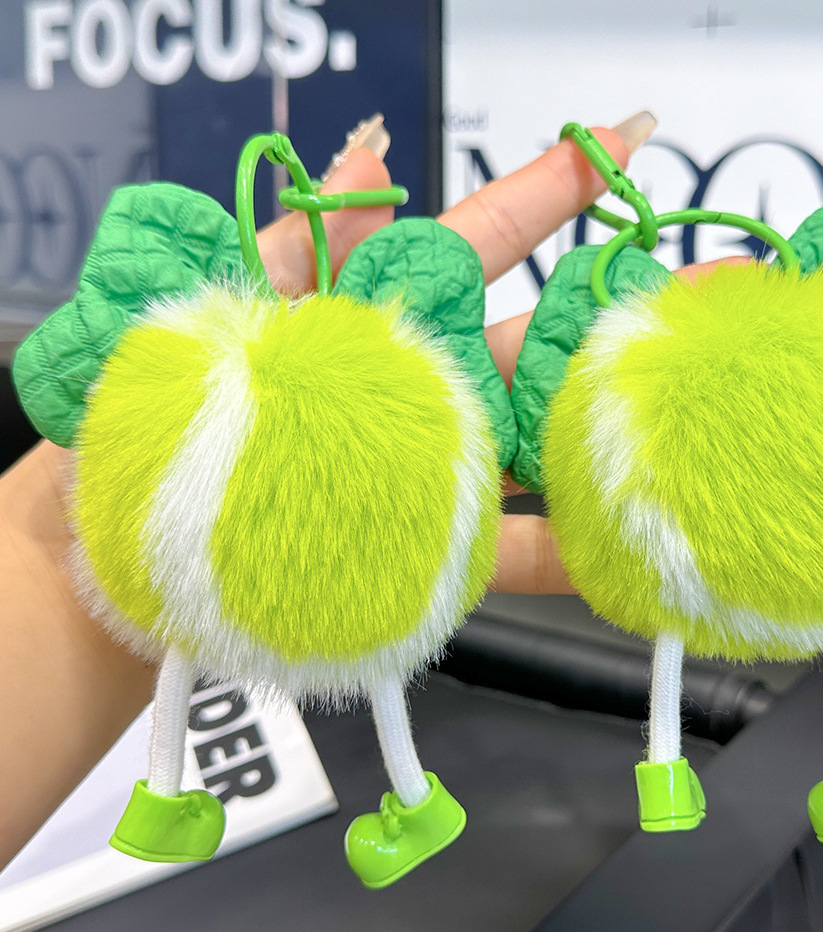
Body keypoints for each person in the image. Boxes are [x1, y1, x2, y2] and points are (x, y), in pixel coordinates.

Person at [0, 117, 740, 868]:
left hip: (196, 545)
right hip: (364, 559)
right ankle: (416, 799)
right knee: (380, 663)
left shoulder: (187, 363)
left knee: (220, 647)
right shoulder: (404, 357)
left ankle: (173, 797)